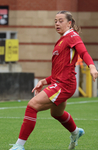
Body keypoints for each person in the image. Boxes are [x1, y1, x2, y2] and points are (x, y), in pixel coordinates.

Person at [9, 10, 98, 150]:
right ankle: (76, 132)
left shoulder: (72, 36)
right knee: (56, 113)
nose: (57, 23)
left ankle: (19, 146)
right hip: (60, 82)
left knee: (32, 106)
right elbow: (60, 70)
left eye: (60, 21)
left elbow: (84, 52)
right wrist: (44, 81)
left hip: (64, 85)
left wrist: (92, 66)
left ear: (69, 23)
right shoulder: (62, 40)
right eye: (55, 21)